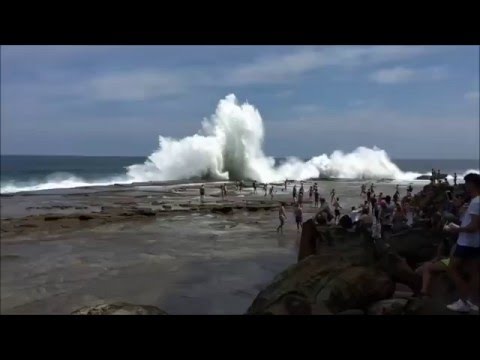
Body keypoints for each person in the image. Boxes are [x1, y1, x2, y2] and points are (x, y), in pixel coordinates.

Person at [444, 173, 480, 313]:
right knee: (474, 272)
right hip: (476, 243)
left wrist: (457, 229)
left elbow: (474, 227)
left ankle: (464, 300)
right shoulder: (477, 201)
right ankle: (473, 302)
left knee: (449, 266)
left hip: (466, 244)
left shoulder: (476, 202)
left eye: (467, 184)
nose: (465, 187)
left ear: (472, 184)